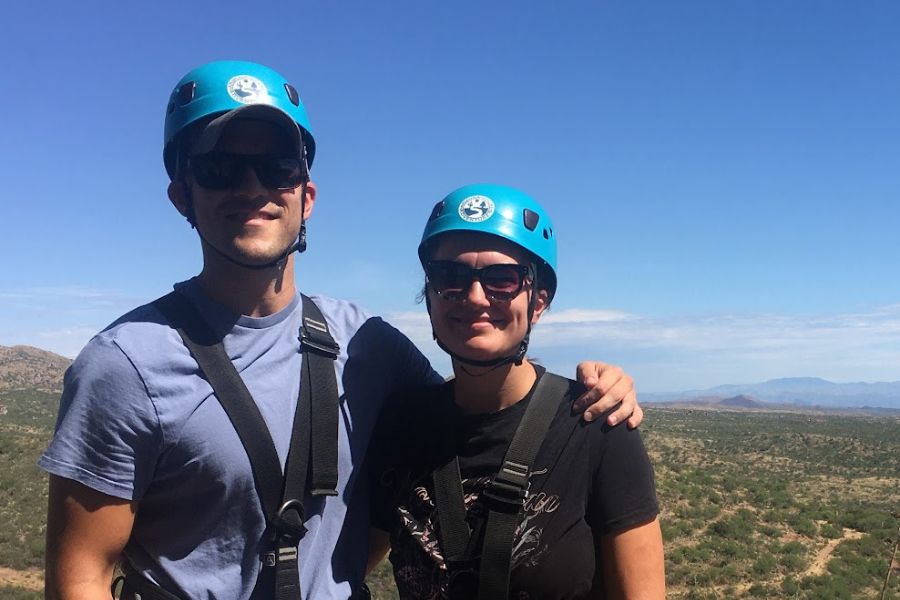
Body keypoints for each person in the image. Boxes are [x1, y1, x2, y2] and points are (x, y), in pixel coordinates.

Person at [40, 61, 642, 600]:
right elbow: (81, 574)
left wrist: (596, 389)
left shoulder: (365, 343)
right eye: (221, 168)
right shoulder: (124, 365)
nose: (251, 188)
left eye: (275, 166)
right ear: (182, 195)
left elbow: (476, 405)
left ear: (307, 195)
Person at [368, 184, 665, 599]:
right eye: (449, 276)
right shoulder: (403, 426)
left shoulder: (594, 426)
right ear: (430, 297)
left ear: (538, 301)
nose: (474, 297)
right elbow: (341, 566)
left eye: (501, 279)